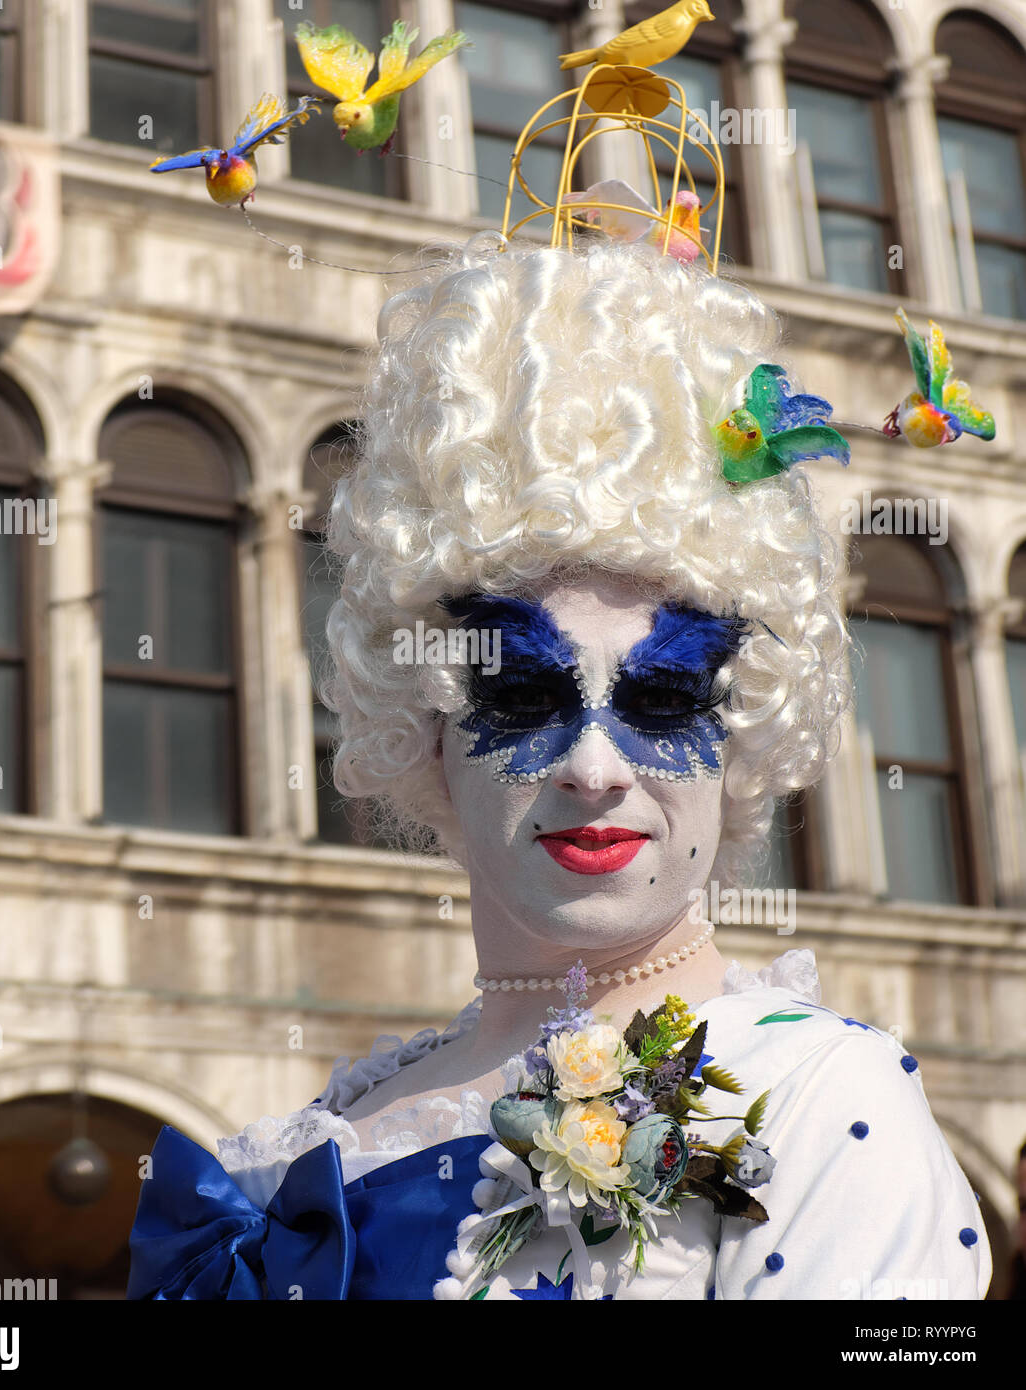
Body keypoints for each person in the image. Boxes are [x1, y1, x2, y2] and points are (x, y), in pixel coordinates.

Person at [126, 231, 991, 1300]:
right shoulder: (310, 1150)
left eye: (664, 700)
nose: (593, 767)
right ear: (426, 724)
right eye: (524, 695)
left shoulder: (812, 1097)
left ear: (745, 732)